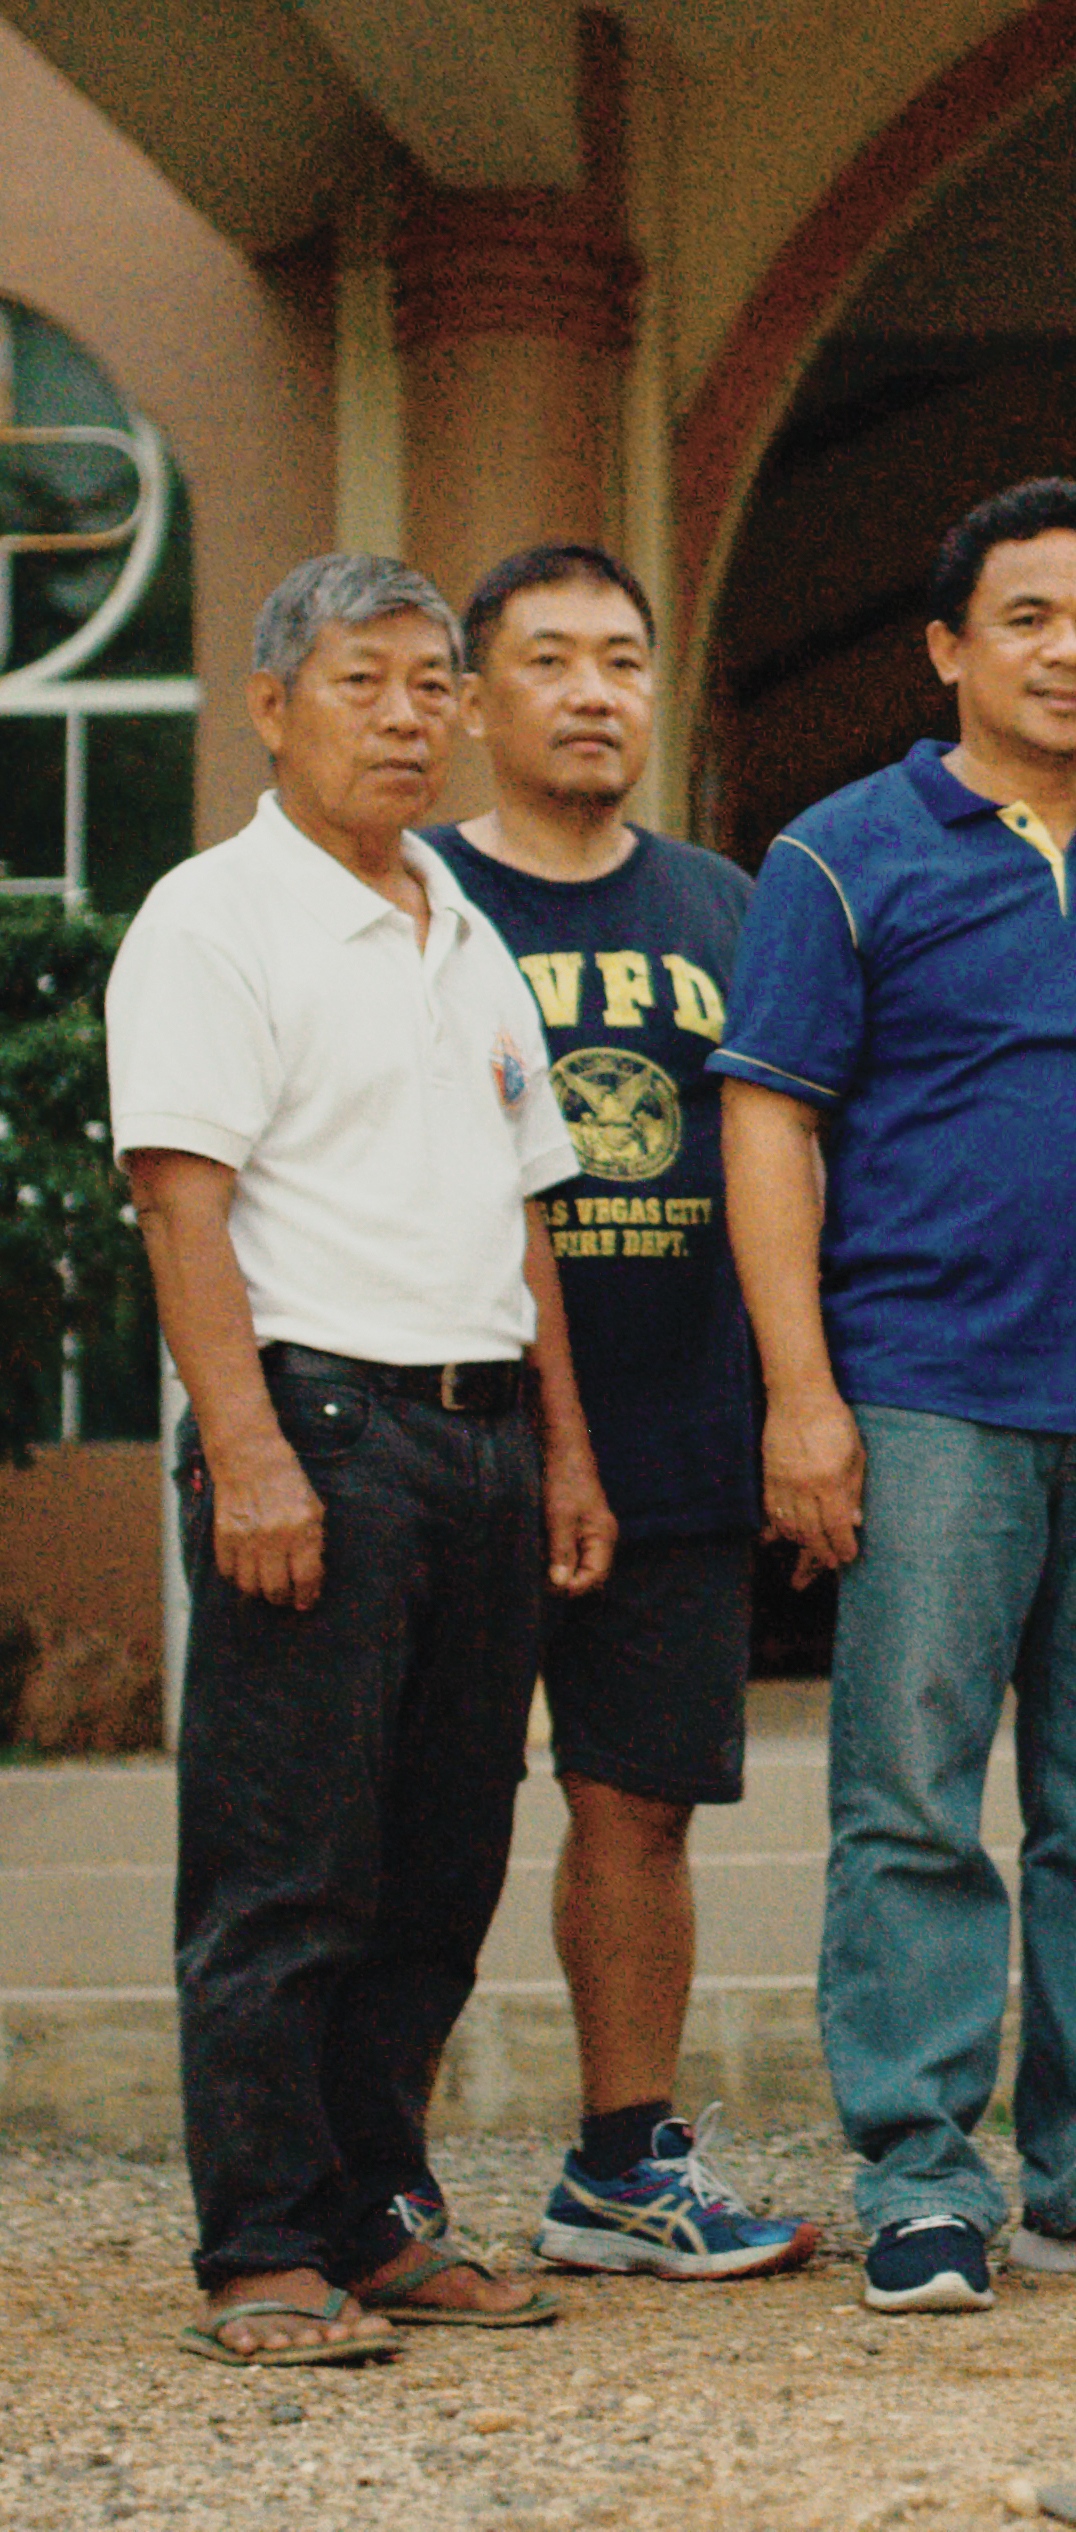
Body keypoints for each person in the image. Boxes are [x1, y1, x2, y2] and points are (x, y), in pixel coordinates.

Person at [712, 477, 1076, 2314]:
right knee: (913, 1806)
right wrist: (802, 1395)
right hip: (926, 1395)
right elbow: (768, 1125)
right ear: (949, 647)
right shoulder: (839, 856)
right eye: (1029, 618)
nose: (1069, 652)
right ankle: (922, 2174)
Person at [106, 553, 613, 2366]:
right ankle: (261, 2245)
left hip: (481, 1437)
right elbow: (182, 1205)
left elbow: (526, 1213)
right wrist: (247, 1458)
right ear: (272, 708)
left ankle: (381, 2220)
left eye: (429, 686)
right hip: (316, 1430)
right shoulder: (212, 920)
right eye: (360, 683)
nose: (406, 718)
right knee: (287, 1869)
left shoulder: (458, 925)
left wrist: (566, 1454)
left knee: (440, 1864)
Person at [426, 543, 815, 2278]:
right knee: (416, 1819)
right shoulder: (419, 897)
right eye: (550, 660)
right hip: (459, 1425)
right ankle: (371, 2177)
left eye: (623, 660)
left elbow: (801, 1157)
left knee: (639, 1808)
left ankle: (621, 2167)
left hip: (678, 1424)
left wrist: (796, 1399)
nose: (593, 693)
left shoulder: (731, 909)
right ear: (475, 698)